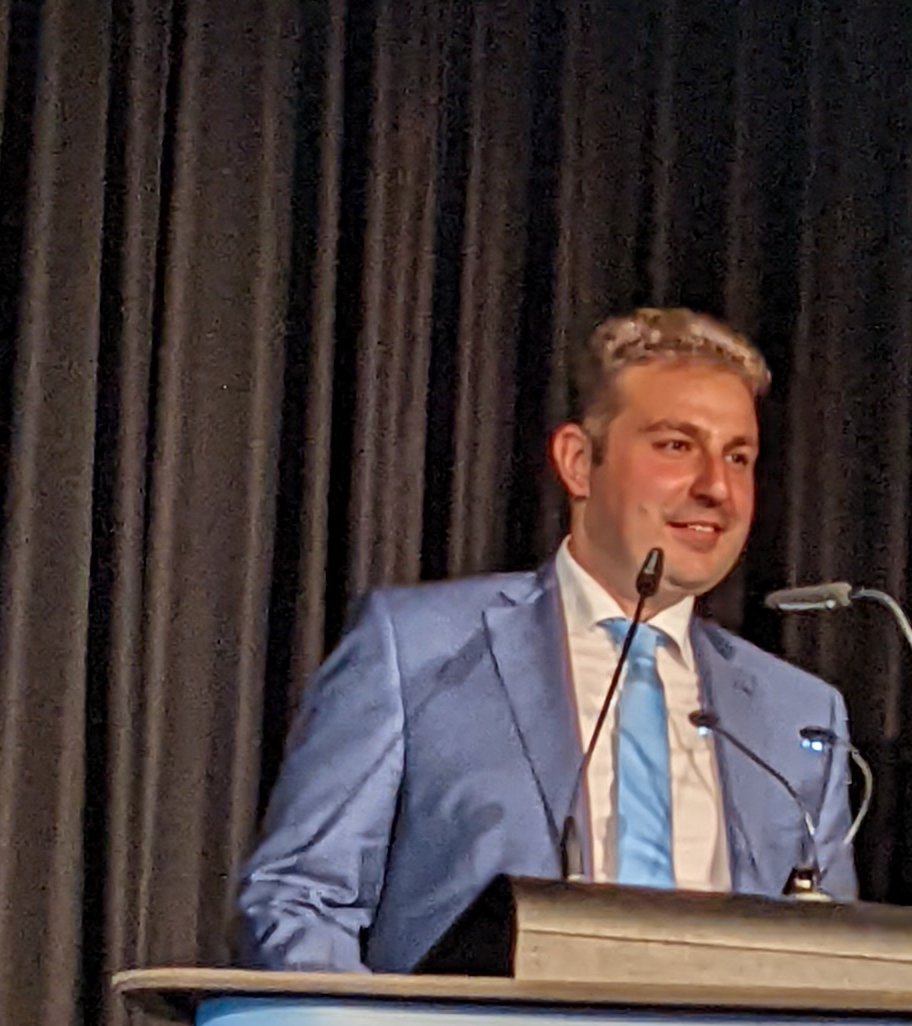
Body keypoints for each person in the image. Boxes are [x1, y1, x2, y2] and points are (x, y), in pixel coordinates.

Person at [231, 307, 856, 972]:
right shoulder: (416, 648)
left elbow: (836, 964)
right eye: (677, 446)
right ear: (579, 462)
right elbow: (299, 900)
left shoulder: (799, 717)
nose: (717, 488)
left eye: (739, 457)